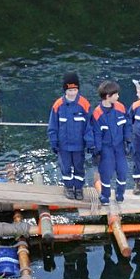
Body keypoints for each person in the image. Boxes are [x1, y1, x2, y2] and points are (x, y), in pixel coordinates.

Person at [47, 72, 93, 200]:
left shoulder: (84, 104)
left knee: (79, 167)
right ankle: (68, 187)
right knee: (65, 168)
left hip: (79, 146)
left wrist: (90, 142)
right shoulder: (58, 105)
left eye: (75, 89)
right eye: (70, 90)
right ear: (65, 90)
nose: (72, 92)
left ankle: (78, 188)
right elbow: (52, 126)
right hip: (64, 146)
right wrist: (53, 142)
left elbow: (89, 126)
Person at [90, 80, 132, 205]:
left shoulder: (121, 107)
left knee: (122, 171)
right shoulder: (97, 113)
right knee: (106, 173)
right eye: (116, 94)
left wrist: (128, 141)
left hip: (119, 147)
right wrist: (96, 151)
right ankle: (105, 196)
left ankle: (120, 195)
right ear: (108, 96)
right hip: (105, 148)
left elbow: (127, 125)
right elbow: (96, 134)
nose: (118, 96)